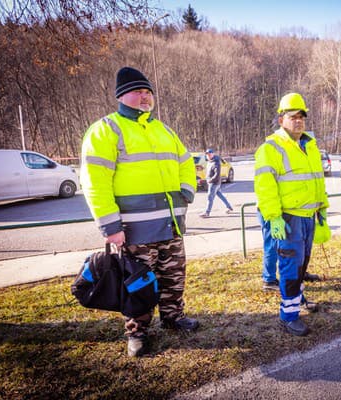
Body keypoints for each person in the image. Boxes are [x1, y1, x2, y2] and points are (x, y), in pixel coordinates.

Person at [80, 66, 200, 357]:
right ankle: (137, 332)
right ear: (122, 96)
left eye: (148, 92)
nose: (145, 97)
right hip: (133, 230)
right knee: (138, 283)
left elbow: (185, 162)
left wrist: (187, 190)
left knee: (174, 276)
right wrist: (110, 227)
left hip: (170, 226)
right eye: (138, 92)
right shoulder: (106, 130)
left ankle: (173, 317)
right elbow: (94, 181)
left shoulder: (163, 129)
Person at [254, 92, 329, 336]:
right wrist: (273, 216)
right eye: (292, 116)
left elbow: (318, 181)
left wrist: (322, 211)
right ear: (281, 119)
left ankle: (296, 298)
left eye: (301, 116)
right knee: (289, 267)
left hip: (308, 217)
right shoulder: (271, 148)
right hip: (287, 219)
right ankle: (289, 315)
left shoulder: (310, 146)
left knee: (302, 264)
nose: (298, 120)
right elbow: (265, 186)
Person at [199, 148, 233, 217]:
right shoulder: (209, 162)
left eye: (209, 154)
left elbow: (217, 175)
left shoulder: (216, 163)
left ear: (213, 154)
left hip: (214, 183)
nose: (208, 156)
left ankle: (207, 212)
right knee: (220, 195)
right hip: (213, 182)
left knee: (210, 197)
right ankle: (229, 207)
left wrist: (210, 180)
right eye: (207, 154)